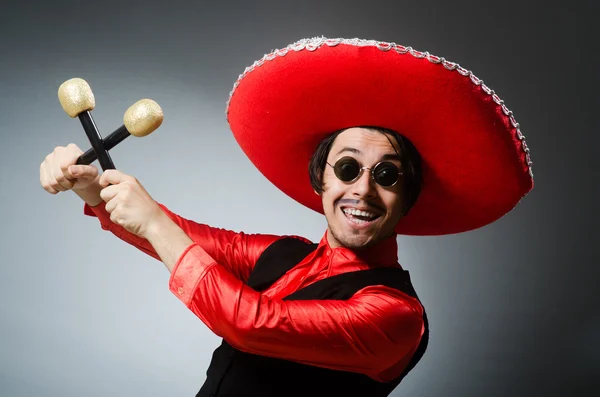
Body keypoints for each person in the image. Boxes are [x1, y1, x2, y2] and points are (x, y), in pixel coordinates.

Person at [39, 36, 534, 397]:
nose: (362, 188)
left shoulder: (395, 315)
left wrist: (153, 222)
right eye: (347, 168)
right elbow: (182, 239)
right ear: (322, 181)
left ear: (407, 198)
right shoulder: (283, 254)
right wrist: (96, 192)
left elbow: (252, 324)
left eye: (387, 175)